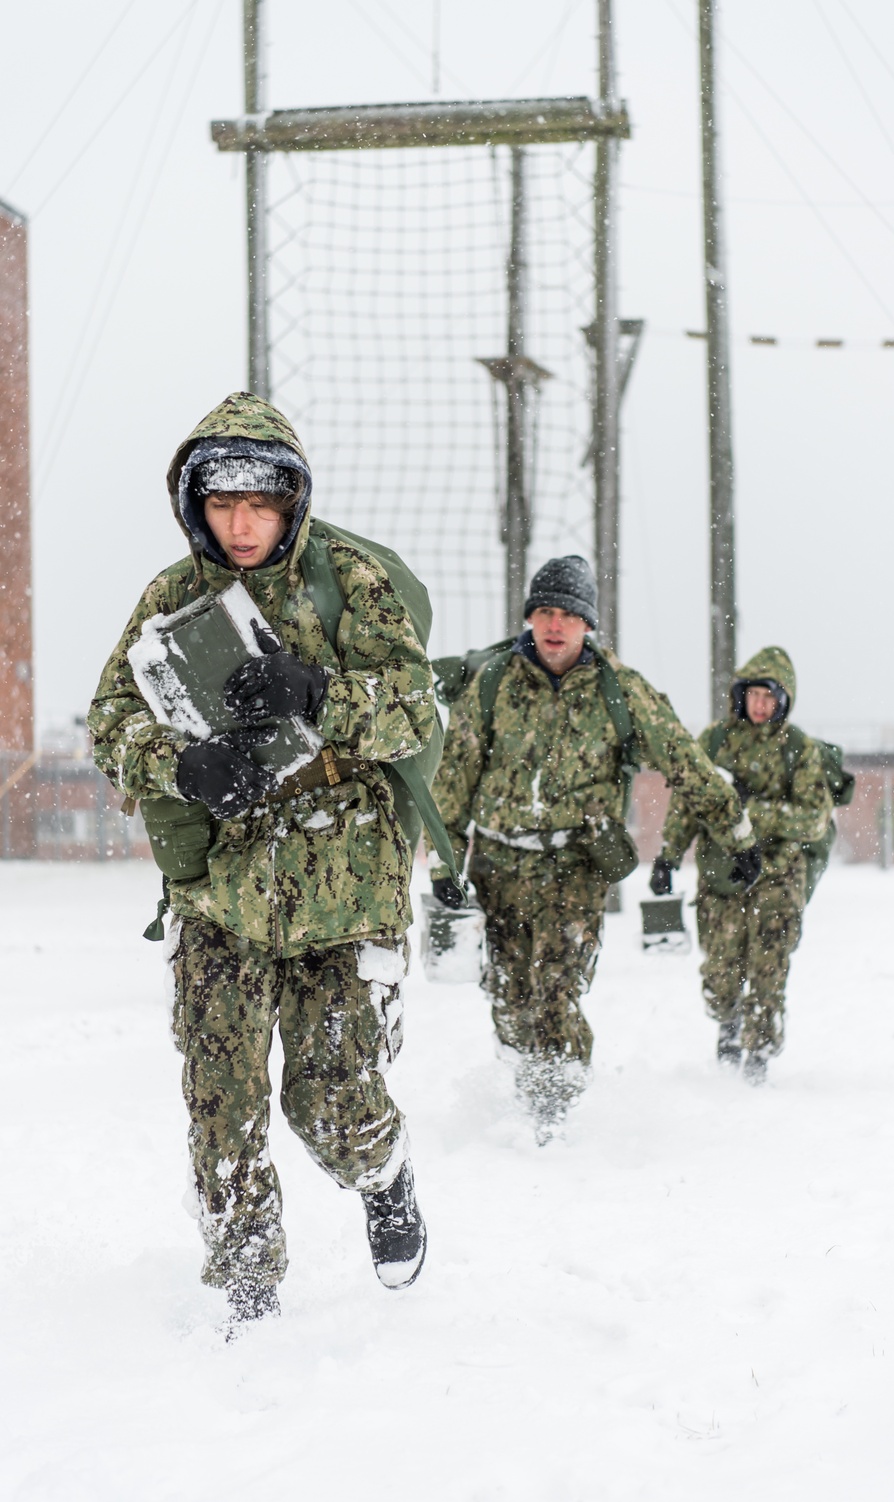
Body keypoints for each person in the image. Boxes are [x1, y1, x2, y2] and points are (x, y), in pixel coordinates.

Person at [88, 392, 437, 1330]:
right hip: (221, 897)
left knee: (333, 1107)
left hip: (343, 892)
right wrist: (181, 764)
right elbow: (111, 721)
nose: (240, 526)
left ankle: (384, 1172)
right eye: (220, 505)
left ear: (292, 503)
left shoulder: (351, 581)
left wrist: (319, 690)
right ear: (194, 503)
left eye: (260, 505)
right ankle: (250, 1293)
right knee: (223, 1106)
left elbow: (417, 710)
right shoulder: (172, 599)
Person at [429, 555, 760, 1140]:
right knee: (509, 997)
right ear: (530, 618)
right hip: (499, 863)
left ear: (588, 625)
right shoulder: (493, 684)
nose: (555, 625)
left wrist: (734, 828)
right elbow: (454, 781)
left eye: (568, 615)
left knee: (557, 991)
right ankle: (526, 1093)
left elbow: (683, 760)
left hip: (573, 869)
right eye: (544, 612)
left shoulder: (621, 691)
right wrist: (443, 863)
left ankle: (554, 1121)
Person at [654, 646, 832, 1085]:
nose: (760, 705)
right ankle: (728, 1026)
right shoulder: (714, 742)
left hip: (777, 876)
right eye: (753, 694)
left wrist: (754, 813)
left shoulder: (799, 750)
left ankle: (758, 1057)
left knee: (769, 970)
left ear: (783, 702)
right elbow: (688, 802)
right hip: (723, 875)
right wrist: (669, 855)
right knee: (721, 973)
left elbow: (814, 818)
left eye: (770, 697)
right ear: (740, 695)